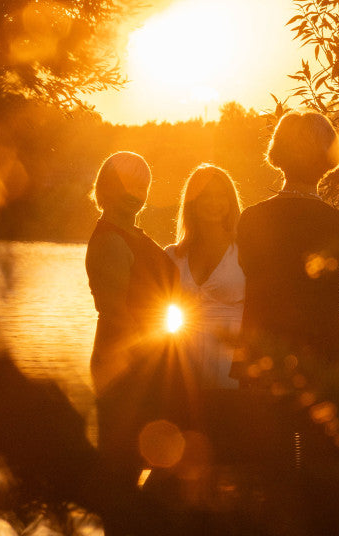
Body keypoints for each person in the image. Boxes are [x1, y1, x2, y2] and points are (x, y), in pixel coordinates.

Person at [232, 110, 339, 520]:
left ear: (279, 154)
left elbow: (249, 271)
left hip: (263, 362)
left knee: (269, 480)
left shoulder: (251, 220)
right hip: (324, 362)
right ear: (328, 159)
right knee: (327, 484)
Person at [84, 151, 180, 516]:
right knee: (122, 470)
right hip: (124, 367)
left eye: (141, 186)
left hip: (148, 364)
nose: (134, 193)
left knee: (158, 463)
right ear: (106, 188)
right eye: (125, 185)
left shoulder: (133, 233)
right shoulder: (110, 239)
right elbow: (118, 317)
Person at [165, 164, 245, 391]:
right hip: (184, 363)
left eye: (221, 195)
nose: (214, 202)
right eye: (206, 196)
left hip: (232, 362)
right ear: (192, 202)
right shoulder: (172, 255)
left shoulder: (245, 251)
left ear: (231, 201)